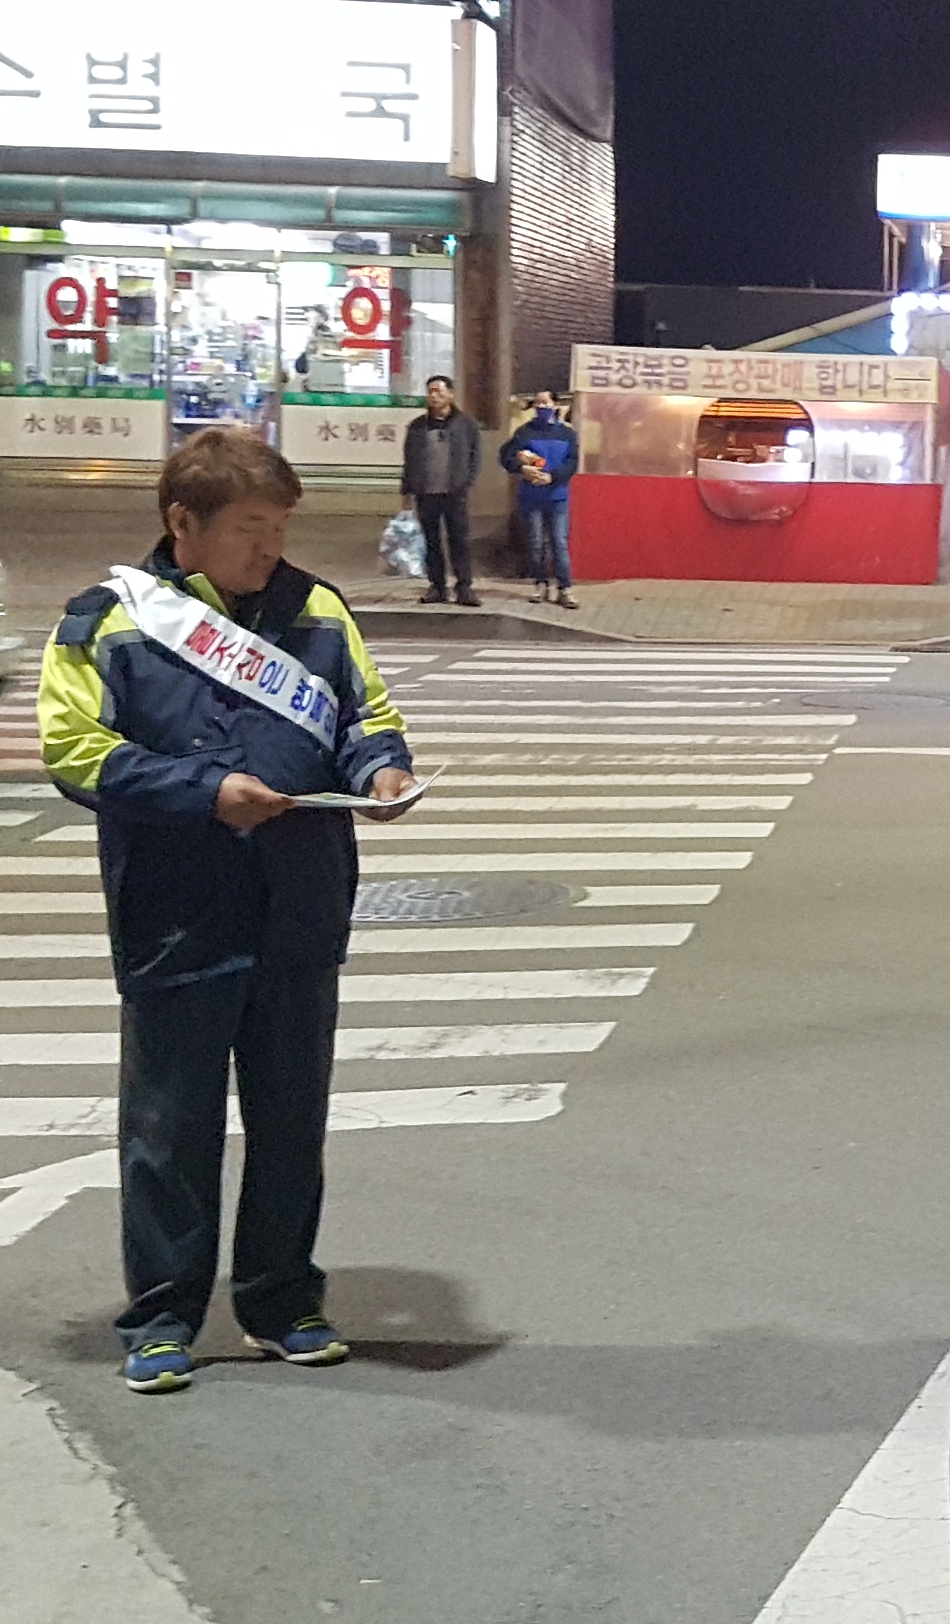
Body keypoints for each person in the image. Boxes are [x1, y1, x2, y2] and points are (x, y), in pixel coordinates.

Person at [40, 428, 422, 1394]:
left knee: (292, 1123)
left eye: (280, 526)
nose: (270, 547)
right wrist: (206, 793)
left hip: (300, 908)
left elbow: (365, 716)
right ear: (184, 523)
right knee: (169, 1129)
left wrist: (382, 771)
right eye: (251, 527)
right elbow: (76, 752)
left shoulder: (318, 611)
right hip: (176, 915)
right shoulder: (108, 624)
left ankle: (282, 1301)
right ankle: (162, 1316)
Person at [400, 375, 482, 607]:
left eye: (439, 391)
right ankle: (437, 586)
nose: (434, 396)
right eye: (431, 391)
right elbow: (409, 460)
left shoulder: (466, 425)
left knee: (459, 540)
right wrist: (406, 491)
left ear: (451, 394)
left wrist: (466, 481)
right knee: (431, 541)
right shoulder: (417, 426)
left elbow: (475, 456)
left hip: (455, 493)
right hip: (426, 493)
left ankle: (464, 587)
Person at [502, 392, 580, 609]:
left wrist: (552, 477)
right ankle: (540, 584)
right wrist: (522, 469)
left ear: (556, 405)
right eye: (537, 403)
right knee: (535, 543)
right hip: (531, 497)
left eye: (545, 402)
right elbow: (506, 457)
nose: (541, 406)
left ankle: (564, 588)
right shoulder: (524, 432)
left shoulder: (567, 434)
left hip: (557, 497)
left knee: (559, 542)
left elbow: (572, 462)